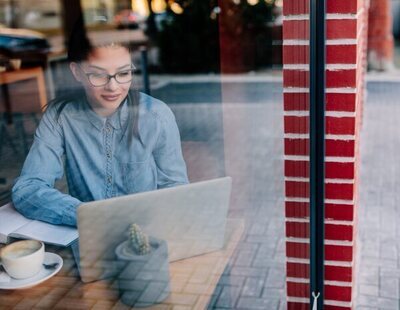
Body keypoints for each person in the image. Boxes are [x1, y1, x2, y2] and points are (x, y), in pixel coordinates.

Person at [11, 30, 188, 227]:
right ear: (77, 72)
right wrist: (90, 216)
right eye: (98, 75)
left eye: (123, 73)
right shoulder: (60, 116)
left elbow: (176, 189)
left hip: (147, 236)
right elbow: (27, 188)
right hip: (90, 236)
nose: (113, 87)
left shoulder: (157, 116)